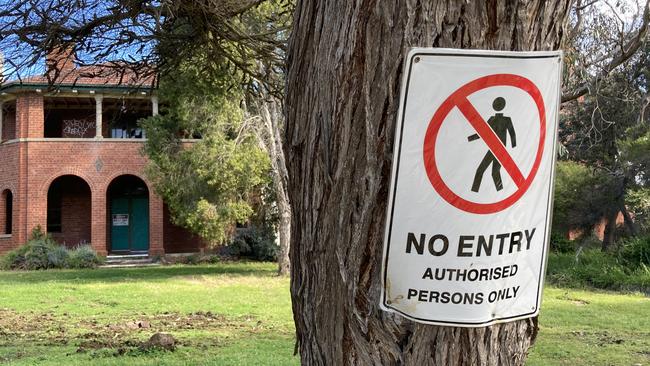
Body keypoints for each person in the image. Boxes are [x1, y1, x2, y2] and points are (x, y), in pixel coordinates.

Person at [467, 97, 516, 192]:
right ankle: (500, 191)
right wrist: (470, 138)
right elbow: (483, 132)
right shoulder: (494, 119)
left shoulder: (504, 120)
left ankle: (474, 191)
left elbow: (512, 133)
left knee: (481, 170)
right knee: (495, 172)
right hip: (498, 149)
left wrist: (514, 146)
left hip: (498, 149)